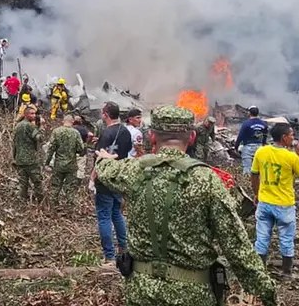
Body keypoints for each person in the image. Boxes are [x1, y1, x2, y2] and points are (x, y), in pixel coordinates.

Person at [94, 105, 278, 306]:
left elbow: (105, 168)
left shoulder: (132, 171)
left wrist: (104, 160)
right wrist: (266, 292)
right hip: (193, 294)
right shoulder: (207, 179)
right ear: (191, 137)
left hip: (141, 293)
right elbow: (236, 246)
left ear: (152, 137)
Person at [251, 123, 299, 279]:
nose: (293, 138)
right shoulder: (291, 157)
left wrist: (256, 194)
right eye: (291, 135)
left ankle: (260, 272)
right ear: (284, 137)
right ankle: (286, 272)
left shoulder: (261, 152)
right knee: (286, 239)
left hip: (264, 203)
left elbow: (254, 174)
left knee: (262, 237)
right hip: (284, 205)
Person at [91, 102, 133, 263]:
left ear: (105, 115)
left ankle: (109, 256)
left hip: (105, 179)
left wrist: (92, 178)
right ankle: (124, 247)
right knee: (117, 213)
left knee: (104, 216)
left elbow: (100, 159)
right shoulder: (125, 131)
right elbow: (125, 151)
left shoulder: (107, 133)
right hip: (119, 177)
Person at [45, 117, 85, 206]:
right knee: (70, 187)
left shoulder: (56, 131)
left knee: (56, 186)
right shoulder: (76, 133)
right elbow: (81, 148)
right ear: (72, 122)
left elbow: (51, 149)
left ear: (63, 121)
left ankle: (53, 205)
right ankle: (70, 205)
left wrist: (47, 163)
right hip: (71, 165)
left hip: (59, 164)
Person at [13, 105, 45, 201]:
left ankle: (22, 201)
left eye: (35, 113)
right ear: (26, 115)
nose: (34, 115)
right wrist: (42, 126)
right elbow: (40, 138)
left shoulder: (17, 126)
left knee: (23, 183)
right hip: (31, 160)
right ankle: (40, 201)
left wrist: (14, 157)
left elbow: (15, 144)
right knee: (37, 181)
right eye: (32, 113)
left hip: (20, 159)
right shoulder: (29, 126)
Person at [235, 106, 268, 174]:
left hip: (248, 148)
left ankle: (247, 180)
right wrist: (263, 144)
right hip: (259, 148)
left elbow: (240, 136)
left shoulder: (246, 124)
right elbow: (265, 135)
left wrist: (236, 146)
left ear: (249, 113)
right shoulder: (263, 124)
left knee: (247, 168)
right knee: (259, 168)